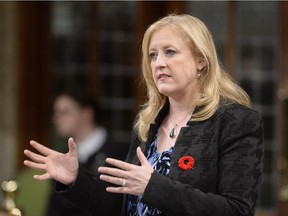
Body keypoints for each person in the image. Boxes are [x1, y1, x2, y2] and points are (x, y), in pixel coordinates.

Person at [23, 14, 264, 216]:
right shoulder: (148, 123)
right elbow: (121, 205)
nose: (159, 63)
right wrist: (76, 180)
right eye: (153, 55)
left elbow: (237, 210)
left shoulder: (236, 121)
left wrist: (154, 187)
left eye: (170, 52)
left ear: (200, 61)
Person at [45, 89, 129, 216]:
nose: (56, 118)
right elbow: (54, 207)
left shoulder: (120, 152)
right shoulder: (62, 156)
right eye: (55, 113)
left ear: (86, 113)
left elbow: (119, 205)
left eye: (64, 112)